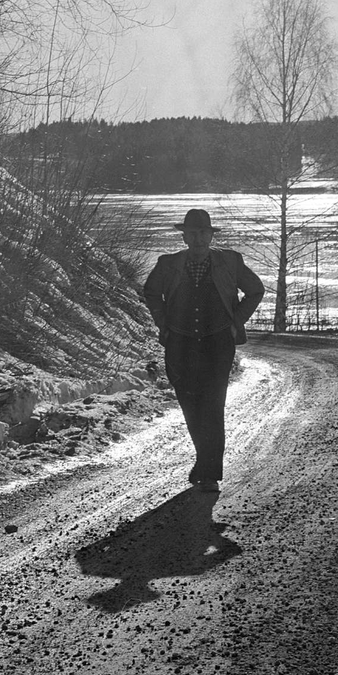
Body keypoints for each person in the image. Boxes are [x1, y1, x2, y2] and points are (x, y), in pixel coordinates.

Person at [143, 208, 265, 493]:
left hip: (217, 343)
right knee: (190, 405)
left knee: (212, 405)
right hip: (180, 344)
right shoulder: (167, 264)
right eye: (193, 234)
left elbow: (255, 290)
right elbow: (151, 292)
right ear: (184, 237)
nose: (199, 239)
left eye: (204, 233)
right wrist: (164, 323)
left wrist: (236, 321)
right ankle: (203, 460)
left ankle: (209, 472)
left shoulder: (229, 262)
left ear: (211, 236)